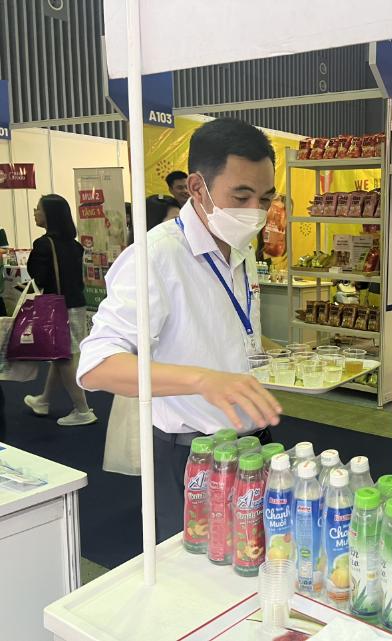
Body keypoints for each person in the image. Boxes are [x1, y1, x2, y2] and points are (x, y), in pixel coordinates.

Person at [78, 117, 283, 541]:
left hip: (254, 444)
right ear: (196, 188)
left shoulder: (241, 250)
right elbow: (96, 366)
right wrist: (202, 380)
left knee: (255, 556)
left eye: (265, 199)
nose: (255, 212)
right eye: (240, 196)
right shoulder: (155, 257)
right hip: (192, 454)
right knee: (194, 566)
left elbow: (222, 330)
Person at [104, 194, 183, 476]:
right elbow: (107, 352)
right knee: (149, 449)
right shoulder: (142, 261)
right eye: (172, 222)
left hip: (176, 384)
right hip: (152, 375)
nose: (180, 229)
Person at [23, 194, 97, 426]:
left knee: (63, 357)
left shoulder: (44, 244)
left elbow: (38, 277)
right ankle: (44, 400)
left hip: (56, 307)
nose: (35, 213)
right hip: (76, 304)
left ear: (49, 215)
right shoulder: (75, 246)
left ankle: (82, 410)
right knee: (62, 354)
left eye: (38, 209)